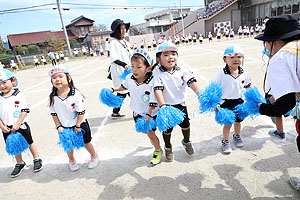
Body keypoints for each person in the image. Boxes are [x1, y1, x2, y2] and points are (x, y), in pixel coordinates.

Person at [254, 14, 300, 191]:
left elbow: (285, 105)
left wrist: (264, 108)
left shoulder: (281, 57)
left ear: (275, 41)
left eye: (266, 42)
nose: (265, 47)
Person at [110, 49, 163, 165]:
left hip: (151, 113)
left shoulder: (152, 81)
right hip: (137, 112)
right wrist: (113, 89)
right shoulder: (129, 78)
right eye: (133, 66)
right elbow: (123, 86)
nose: (134, 69)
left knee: (151, 133)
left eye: (139, 67)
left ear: (148, 68)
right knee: (145, 132)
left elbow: (153, 102)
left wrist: (148, 115)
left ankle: (158, 150)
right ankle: (152, 139)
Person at [153, 41, 201, 162]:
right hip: (166, 107)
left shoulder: (182, 70)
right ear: (158, 58)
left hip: (181, 105)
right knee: (167, 130)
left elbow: (192, 82)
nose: (171, 57)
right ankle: (168, 147)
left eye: (173, 53)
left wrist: (201, 95)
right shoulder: (157, 73)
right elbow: (157, 90)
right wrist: (163, 106)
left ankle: (186, 141)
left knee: (186, 126)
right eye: (166, 54)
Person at [48, 65, 99, 171]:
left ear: (69, 78)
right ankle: (71, 160)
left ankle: (94, 156)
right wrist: (58, 126)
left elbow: (81, 112)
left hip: (80, 124)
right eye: (54, 77)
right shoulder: (52, 97)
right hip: (64, 126)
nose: (57, 79)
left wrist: (78, 125)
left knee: (86, 141)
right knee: (68, 144)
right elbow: (54, 114)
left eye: (60, 76)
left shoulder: (76, 94)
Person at [0, 69, 43, 177]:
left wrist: (17, 124)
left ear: (12, 81)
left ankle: (36, 158)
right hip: (6, 128)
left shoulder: (18, 94)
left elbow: (24, 110)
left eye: (4, 82)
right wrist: (2, 126)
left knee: (29, 142)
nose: (2, 86)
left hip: (20, 125)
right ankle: (20, 163)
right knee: (14, 146)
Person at [215, 44, 251, 154]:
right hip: (226, 102)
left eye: (239, 57)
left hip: (239, 101)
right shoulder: (221, 74)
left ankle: (237, 136)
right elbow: (215, 89)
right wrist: (216, 103)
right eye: (232, 57)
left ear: (243, 58)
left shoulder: (243, 72)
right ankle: (225, 141)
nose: (236, 59)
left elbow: (248, 86)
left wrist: (251, 98)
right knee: (228, 123)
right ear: (224, 59)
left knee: (238, 122)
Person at [109, 19, 132, 117]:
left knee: (124, 91)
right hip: (120, 70)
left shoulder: (124, 41)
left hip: (128, 69)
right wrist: (124, 64)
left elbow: (130, 54)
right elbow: (114, 58)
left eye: (124, 28)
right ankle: (141, 109)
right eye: (121, 28)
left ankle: (115, 111)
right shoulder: (114, 42)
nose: (124, 30)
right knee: (127, 89)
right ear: (116, 31)